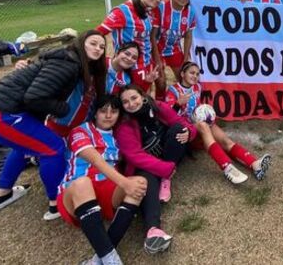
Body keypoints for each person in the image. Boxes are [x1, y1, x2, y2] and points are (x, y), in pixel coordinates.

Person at [0, 30, 106, 220]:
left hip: (5, 109)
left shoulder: (68, 60)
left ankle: (2, 194)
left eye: (102, 47)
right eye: (93, 43)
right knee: (53, 148)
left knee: (24, 147)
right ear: (81, 43)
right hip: (3, 113)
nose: (98, 49)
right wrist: (62, 109)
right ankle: (56, 203)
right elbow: (34, 97)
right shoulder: (69, 63)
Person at [57, 95, 147, 265]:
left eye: (113, 111)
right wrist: (125, 183)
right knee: (83, 183)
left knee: (140, 183)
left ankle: (99, 259)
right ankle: (112, 261)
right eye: (103, 111)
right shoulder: (80, 131)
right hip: (75, 195)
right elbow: (96, 160)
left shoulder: (117, 138)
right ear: (95, 113)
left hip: (106, 191)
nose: (108, 115)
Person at [116, 85, 197, 254]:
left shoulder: (158, 106)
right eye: (125, 102)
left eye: (134, 98)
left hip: (168, 155)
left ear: (143, 96)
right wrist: (164, 168)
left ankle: (166, 180)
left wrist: (190, 132)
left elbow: (180, 122)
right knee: (147, 180)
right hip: (148, 165)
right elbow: (136, 157)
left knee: (179, 130)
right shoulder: (124, 126)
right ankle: (153, 231)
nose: (131, 104)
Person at [165, 62, 271, 184]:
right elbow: (168, 116)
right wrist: (178, 103)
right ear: (183, 74)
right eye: (192, 73)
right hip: (184, 133)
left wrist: (207, 115)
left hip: (197, 127)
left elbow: (197, 109)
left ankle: (255, 164)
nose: (195, 76)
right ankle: (227, 167)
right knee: (203, 125)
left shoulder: (197, 87)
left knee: (225, 140)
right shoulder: (173, 90)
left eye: (197, 74)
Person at [97, 0, 163, 91]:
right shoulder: (122, 11)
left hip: (147, 61)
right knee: (135, 96)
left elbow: (147, 39)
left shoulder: (148, 12)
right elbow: (98, 33)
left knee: (145, 92)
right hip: (131, 63)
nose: (157, 0)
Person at [151, 0, 196, 100]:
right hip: (157, 48)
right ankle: (160, 108)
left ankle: (183, 107)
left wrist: (185, 57)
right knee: (161, 82)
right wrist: (157, 59)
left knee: (184, 78)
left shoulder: (191, 12)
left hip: (174, 48)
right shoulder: (161, 7)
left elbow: (188, 35)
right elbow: (153, 36)